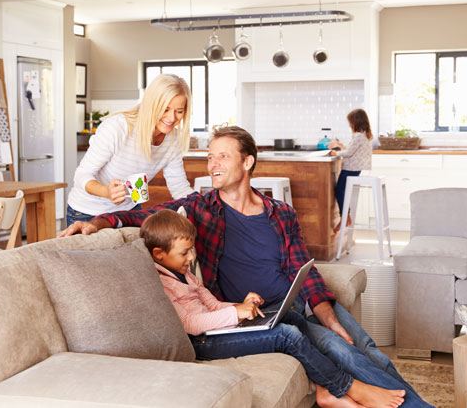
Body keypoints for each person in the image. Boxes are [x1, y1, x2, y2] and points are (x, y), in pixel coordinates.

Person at [60, 126, 432, 408]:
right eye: (210, 156)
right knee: (344, 351)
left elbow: (305, 270)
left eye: (223, 156)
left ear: (247, 161)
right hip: (263, 313)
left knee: (363, 344)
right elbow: (146, 214)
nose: (212, 163)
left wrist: (331, 317)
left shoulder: (280, 213)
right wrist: (99, 223)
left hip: (297, 304)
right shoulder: (203, 209)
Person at [139, 209, 405, 408]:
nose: (192, 257)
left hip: (217, 330)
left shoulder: (184, 274)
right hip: (203, 343)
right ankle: (346, 387)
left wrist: (242, 306)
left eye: (192, 250)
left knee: (288, 317)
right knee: (286, 335)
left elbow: (212, 304)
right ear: (159, 253)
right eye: (184, 253)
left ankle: (323, 389)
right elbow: (189, 324)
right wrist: (235, 314)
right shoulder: (162, 282)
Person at [65, 73, 195, 227]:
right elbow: (81, 175)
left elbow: (178, 186)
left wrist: (202, 205)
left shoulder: (173, 139)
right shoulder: (117, 128)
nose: (172, 118)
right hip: (88, 212)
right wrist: (106, 192)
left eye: (179, 111)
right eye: (165, 109)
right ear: (151, 105)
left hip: (129, 211)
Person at [330, 109, 373, 233]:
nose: (349, 125)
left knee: (339, 191)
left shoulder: (358, 136)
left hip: (351, 168)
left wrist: (336, 152)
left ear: (355, 122)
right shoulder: (363, 135)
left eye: (350, 122)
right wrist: (341, 145)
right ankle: (346, 217)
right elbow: (352, 149)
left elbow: (348, 153)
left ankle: (344, 218)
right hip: (355, 168)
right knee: (342, 191)